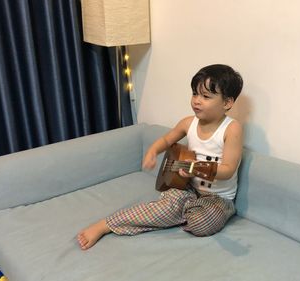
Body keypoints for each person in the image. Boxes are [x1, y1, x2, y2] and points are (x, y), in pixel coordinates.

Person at [77, 64, 244, 250]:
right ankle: (105, 225)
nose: (196, 101)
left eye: (205, 96)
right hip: (188, 188)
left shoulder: (231, 129)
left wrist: (195, 167)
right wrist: (153, 151)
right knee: (163, 206)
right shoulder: (188, 123)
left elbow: (228, 169)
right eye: (195, 94)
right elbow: (166, 140)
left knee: (200, 224)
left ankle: (176, 211)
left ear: (227, 103)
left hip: (218, 199)